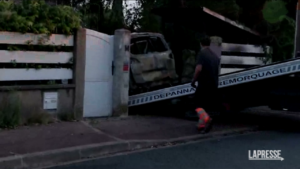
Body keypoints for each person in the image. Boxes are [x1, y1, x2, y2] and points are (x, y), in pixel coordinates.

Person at [191, 36, 220, 133]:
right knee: (204, 106)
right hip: (213, 84)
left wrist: (194, 80)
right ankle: (201, 125)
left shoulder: (202, 53)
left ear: (201, 44)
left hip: (204, 83)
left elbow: (199, 68)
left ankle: (207, 120)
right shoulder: (214, 55)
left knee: (197, 104)